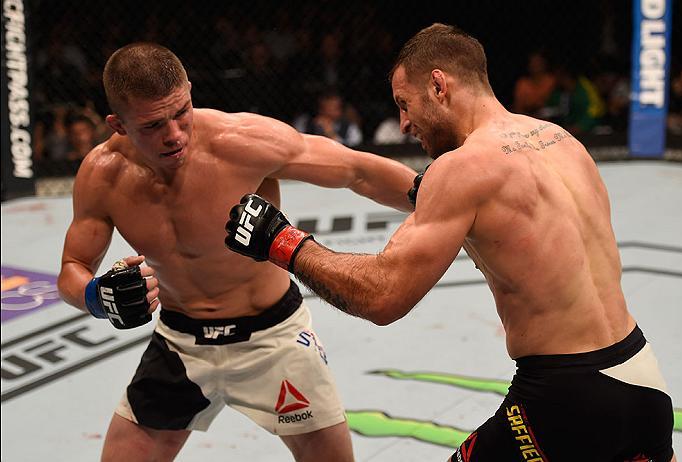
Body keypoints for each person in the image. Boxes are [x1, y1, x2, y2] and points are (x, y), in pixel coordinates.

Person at [224, 24, 677, 462]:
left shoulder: (463, 169)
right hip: (641, 379)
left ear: (439, 86)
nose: (403, 124)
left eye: (405, 104)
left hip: (567, 395)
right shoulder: (560, 141)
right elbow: (440, 198)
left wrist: (281, 242)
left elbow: (383, 296)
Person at [57, 42, 416, 462]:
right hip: (180, 343)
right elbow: (72, 268)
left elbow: (357, 171)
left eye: (181, 112)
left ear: (190, 91)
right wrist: (95, 297)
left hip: (274, 338)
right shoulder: (102, 175)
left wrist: (441, 200)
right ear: (118, 124)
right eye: (153, 125)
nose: (174, 134)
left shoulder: (241, 141)